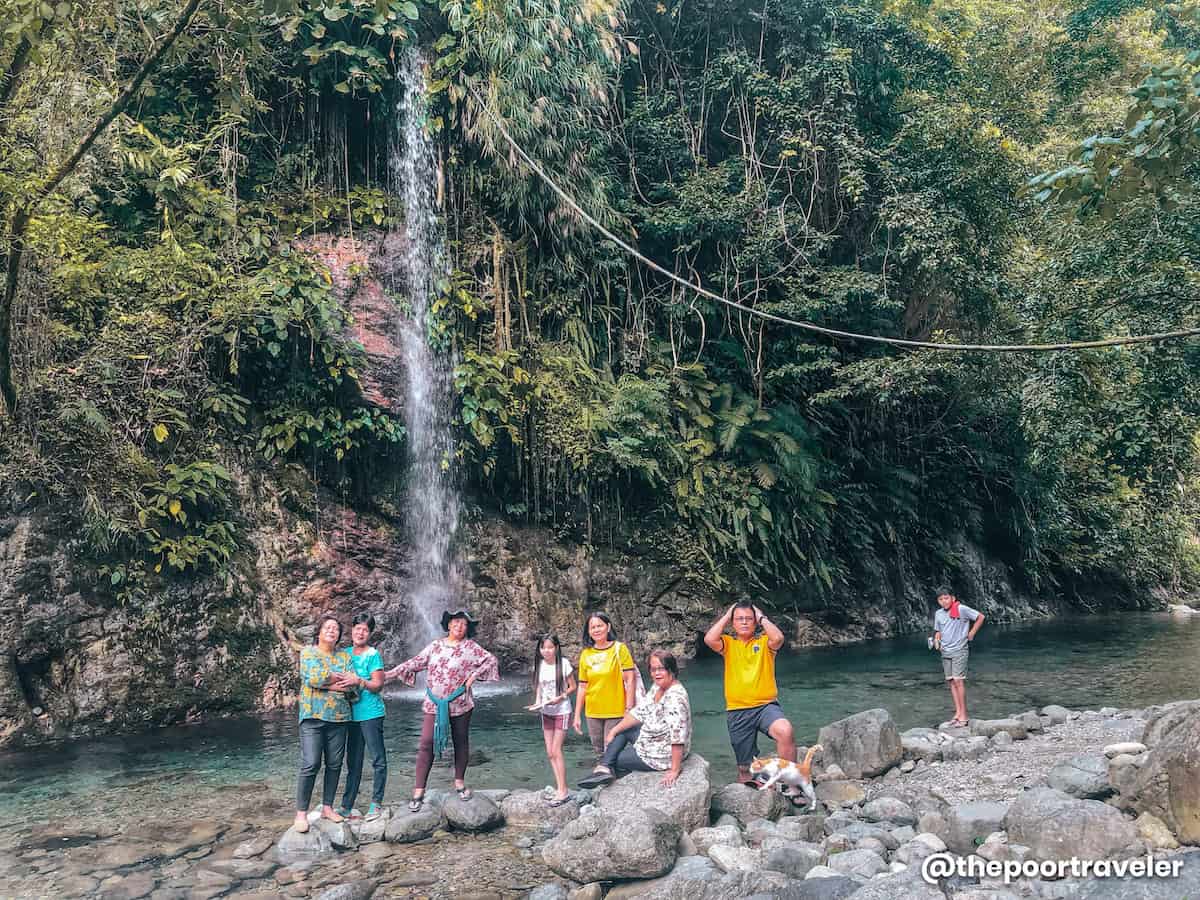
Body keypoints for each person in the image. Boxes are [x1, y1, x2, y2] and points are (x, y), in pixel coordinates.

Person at [385, 608, 499, 811]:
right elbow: (415, 662)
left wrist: (475, 675)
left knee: (460, 742)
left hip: (461, 703)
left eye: (464, 624)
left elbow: (491, 660)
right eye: (456, 622)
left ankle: (459, 783)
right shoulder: (435, 646)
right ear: (448, 625)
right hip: (434, 704)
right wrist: (390, 674)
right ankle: (418, 791)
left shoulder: (471, 648)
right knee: (426, 743)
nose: (459, 626)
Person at [704, 601, 796, 783]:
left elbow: (778, 638)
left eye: (749, 619)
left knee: (785, 731)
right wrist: (727, 615)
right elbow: (709, 639)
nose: (744, 622)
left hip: (765, 707)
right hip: (737, 711)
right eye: (739, 619)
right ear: (733, 623)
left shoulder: (764, 644)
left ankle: (792, 784)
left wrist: (762, 617)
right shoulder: (729, 644)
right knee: (745, 769)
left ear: (755, 623)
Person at [577, 650, 691, 788]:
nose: (657, 673)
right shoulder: (658, 687)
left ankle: (605, 768)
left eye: (661, 669)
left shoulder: (675, 698)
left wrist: (674, 770)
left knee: (613, 758)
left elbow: (677, 737)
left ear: (671, 670)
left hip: (661, 756)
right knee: (622, 728)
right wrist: (613, 731)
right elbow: (639, 712)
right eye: (653, 669)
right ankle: (605, 767)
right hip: (653, 740)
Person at [293, 613, 357, 834]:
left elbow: (353, 686)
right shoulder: (308, 652)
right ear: (319, 632)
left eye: (336, 628)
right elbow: (313, 677)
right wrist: (336, 680)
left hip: (339, 718)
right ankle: (301, 814)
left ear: (339, 635)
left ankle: (327, 807)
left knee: (334, 764)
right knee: (310, 763)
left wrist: (331, 682)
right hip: (312, 717)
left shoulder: (345, 657)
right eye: (327, 627)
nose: (332, 631)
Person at [338, 612, 388, 821]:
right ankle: (347, 806)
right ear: (352, 630)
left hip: (371, 714)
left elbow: (378, 685)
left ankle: (376, 803)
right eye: (357, 627)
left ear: (369, 633)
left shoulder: (373, 655)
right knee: (354, 763)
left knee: (378, 759)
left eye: (365, 629)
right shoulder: (344, 654)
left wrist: (359, 681)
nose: (360, 632)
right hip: (350, 715)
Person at [572, 611, 638, 758]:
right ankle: (602, 778)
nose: (596, 630)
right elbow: (583, 686)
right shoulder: (586, 654)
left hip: (615, 710)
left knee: (611, 748)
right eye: (592, 627)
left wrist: (629, 708)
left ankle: (614, 778)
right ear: (588, 632)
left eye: (599, 626)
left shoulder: (619, 649)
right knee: (598, 751)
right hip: (592, 712)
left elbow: (630, 679)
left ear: (608, 627)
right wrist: (577, 715)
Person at [526, 633, 577, 806]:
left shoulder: (563, 664)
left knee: (556, 750)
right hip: (546, 711)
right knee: (549, 753)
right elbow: (539, 688)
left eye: (550, 647)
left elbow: (573, 686)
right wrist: (537, 703)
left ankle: (563, 791)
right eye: (543, 647)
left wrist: (561, 697)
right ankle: (559, 787)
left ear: (556, 648)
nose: (546, 651)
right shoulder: (539, 665)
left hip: (562, 710)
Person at [932, 586, 985, 727]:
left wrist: (972, 633)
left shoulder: (961, 609)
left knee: (958, 681)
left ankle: (964, 717)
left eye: (946, 598)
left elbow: (980, 617)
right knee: (951, 681)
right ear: (938, 601)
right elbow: (938, 631)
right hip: (945, 651)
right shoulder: (938, 613)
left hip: (959, 650)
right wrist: (936, 640)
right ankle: (958, 713)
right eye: (940, 599)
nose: (944, 601)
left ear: (953, 598)